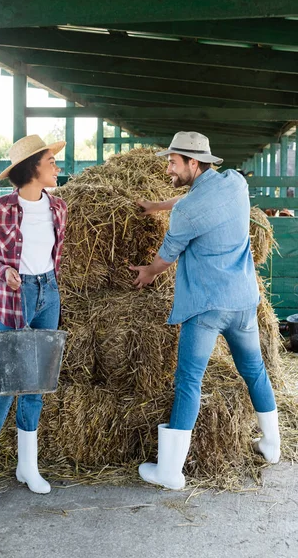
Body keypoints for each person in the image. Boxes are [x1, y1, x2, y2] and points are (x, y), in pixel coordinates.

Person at [130, 131, 280, 491]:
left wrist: (147, 273)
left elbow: (166, 255)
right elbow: (199, 200)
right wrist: (156, 206)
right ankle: (272, 445)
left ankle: (169, 472)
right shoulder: (235, 184)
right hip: (243, 300)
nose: (168, 168)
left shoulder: (186, 212)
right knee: (254, 369)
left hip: (206, 306)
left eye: (173, 162)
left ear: (192, 163)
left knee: (188, 381)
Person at [0, 134, 67, 505]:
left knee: (37, 383)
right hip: (15, 295)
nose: (57, 168)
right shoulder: (0, 207)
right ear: (33, 169)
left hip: (49, 293)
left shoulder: (58, 207)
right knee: (6, 385)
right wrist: (4, 271)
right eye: (51, 163)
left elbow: (54, 255)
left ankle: (28, 466)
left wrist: (46, 282)